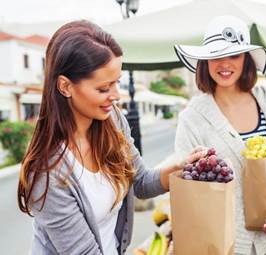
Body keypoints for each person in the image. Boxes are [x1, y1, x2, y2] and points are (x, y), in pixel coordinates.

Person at [17, 20, 206, 255]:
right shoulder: (47, 172)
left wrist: (180, 167)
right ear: (65, 86)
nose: (116, 95)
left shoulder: (113, 121)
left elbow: (142, 182)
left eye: (116, 82)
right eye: (103, 88)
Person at [174, 15, 266, 255]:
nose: (225, 64)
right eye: (215, 56)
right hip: (217, 244)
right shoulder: (191, 117)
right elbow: (188, 185)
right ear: (205, 61)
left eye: (234, 55)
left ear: (246, 59)